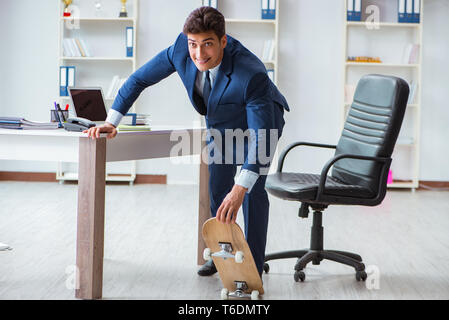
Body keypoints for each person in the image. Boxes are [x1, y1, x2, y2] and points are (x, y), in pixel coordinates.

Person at [84, 6, 289, 277]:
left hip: (262, 123)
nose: (199, 54)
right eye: (194, 44)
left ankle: (252, 266)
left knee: (249, 193)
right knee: (218, 189)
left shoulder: (251, 74)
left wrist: (241, 187)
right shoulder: (181, 48)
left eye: (208, 44)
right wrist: (112, 121)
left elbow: (261, 138)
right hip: (221, 124)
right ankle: (221, 257)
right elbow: (138, 79)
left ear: (223, 42)